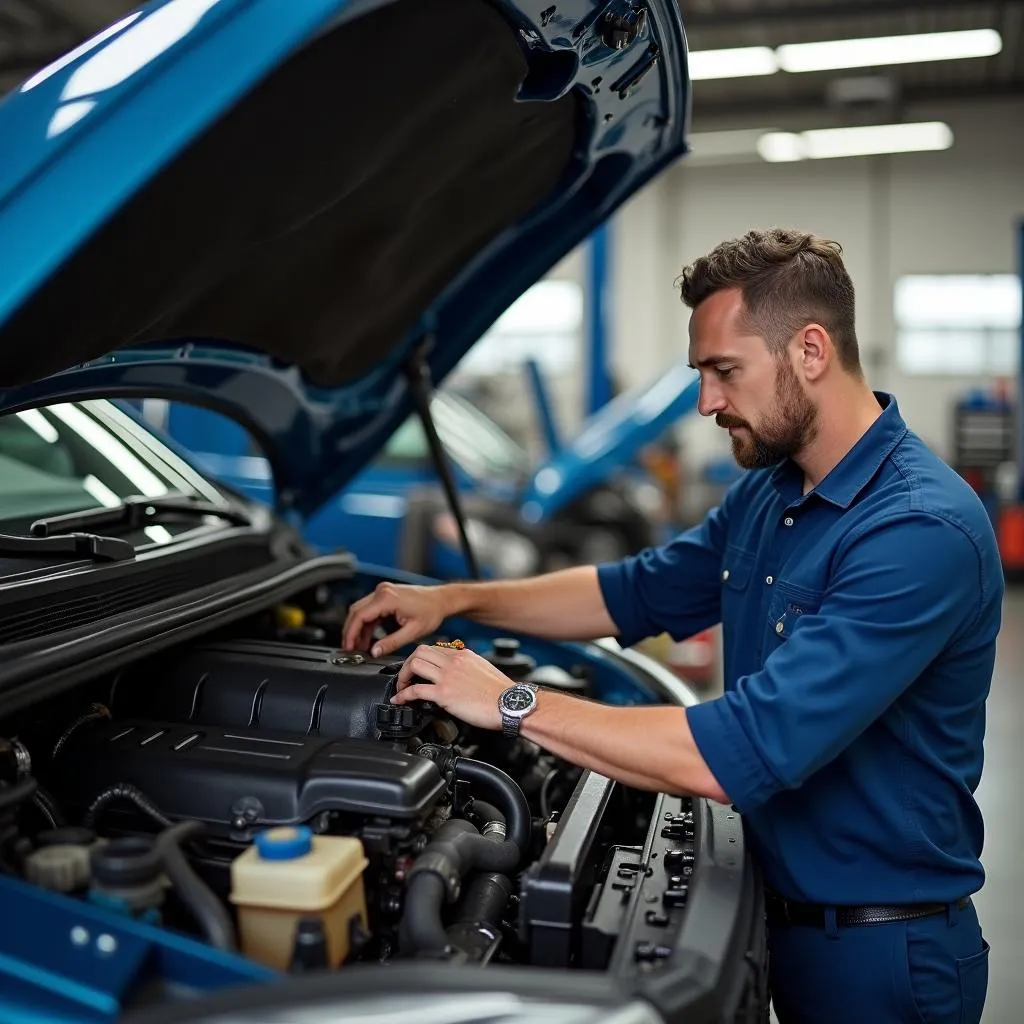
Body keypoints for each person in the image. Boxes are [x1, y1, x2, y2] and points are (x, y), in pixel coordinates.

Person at [343, 228, 1000, 1023]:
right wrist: (454, 601)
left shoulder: (918, 532)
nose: (707, 403)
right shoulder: (772, 491)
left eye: (725, 371)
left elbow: (743, 749)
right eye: (702, 374)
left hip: (881, 958)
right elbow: (631, 592)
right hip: (773, 917)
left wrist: (513, 703)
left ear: (812, 351)